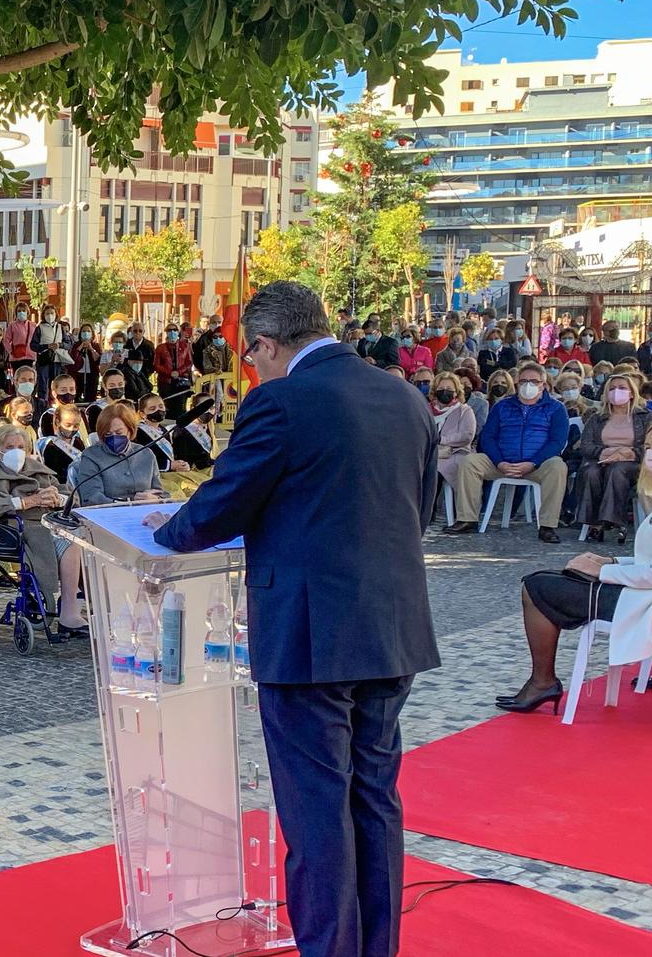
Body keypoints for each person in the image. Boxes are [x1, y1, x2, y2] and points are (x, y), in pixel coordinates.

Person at [144, 281, 439, 957]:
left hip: (310, 635)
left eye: (252, 356)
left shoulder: (279, 400)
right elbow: (415, 510)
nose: (253, 368)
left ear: (268, 344)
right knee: (374, 799)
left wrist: (166, 530)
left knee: (317, 815)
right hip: (392, 626)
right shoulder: (403, 394)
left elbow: (220, 505)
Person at [503, 420, 652, 711]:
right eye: (648, 447)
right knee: (552, 578)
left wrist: (603, 571)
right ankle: (542, 682)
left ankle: (542, 682)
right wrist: (611, 560)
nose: (651, 454)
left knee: (535, 587)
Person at [0, 423, 79, 634]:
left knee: (84, 539)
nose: (16, 452)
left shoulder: (39, 470)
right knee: (70, 543)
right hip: (14, 526)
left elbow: (70, 495)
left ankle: (80, 603)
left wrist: (58, 498)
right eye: (10, 447)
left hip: (48, 521)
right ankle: (69, 612)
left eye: (21, 447)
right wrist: (26, 501)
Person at [447, 362, 569, 543]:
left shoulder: (556, 408)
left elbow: (557, 442)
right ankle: (467, 519)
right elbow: (488, 437)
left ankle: (547, 526)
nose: (528, 385)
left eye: (534, 381)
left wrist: (532, 463)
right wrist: (500, 462)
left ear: (543, 384)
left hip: (537, 465)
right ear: (517, 383)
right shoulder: (502, 406)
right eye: (524, 381)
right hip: (502, 462)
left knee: (558, 467)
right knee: (470, 462)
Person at [575, 373, 651, 542]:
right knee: (591, 472)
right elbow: (585, 445)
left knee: (617, 470)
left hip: (632, 463)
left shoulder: (646, 417)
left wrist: (631, 453)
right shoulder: (596, 418)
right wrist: (603, 453)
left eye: (622, 388)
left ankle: (610, 522)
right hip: (601, 460)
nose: (617, 392)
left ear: (632, 393)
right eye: (612, 388)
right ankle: (597, 523)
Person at [68, 403, 163, 505]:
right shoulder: (91, 456)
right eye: (108, 434)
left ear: (130, 430)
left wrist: (155, 498)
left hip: (147, 515)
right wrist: (130, 501)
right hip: (108, 515)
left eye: (119, 433)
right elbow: (91, 498)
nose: (114, 438)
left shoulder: (146, 454)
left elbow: (161, 493)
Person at [428, 373, 477, 511]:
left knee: (436, 470)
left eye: (449, 388)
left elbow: (467, 435)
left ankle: (437, 509)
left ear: (456, 392)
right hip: (430, 452)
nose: (444, 391)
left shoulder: (464, 410)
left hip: (456, 453)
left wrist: (442, 440)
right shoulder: (426, 409)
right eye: (441, 387)